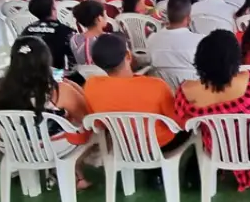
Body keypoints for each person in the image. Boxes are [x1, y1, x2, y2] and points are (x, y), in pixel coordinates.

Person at [175, 30, 250, 192]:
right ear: (235, 59)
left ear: (200, 58)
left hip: (217, 147)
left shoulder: (187, 90)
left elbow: (182, 120)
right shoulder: (249, 80)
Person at [82, 33, 195, 187]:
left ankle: (153, 173)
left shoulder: (91, 85)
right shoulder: (156, 85)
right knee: (192, 124)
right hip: (161, 145)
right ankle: (168, 172)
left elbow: (98, 123)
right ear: (128, 55)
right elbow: (177, 123)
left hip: (123, 144)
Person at [0, 36, 90, 180]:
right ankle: (75, 171)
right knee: (88, 128)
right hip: (53, 148)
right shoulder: (57, 90)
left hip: (12, 148)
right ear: (46, 60)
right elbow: (85, 118)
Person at [146, 0, 204, 86]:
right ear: (188, 18)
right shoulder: (201, 42)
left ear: (168, 15)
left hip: (160, 95)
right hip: (191, 97)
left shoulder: (152, 39)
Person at [20, 0, 77, 70]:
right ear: (53, 8)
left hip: (28, 74)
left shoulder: (27, 29)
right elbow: (74, 61)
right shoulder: (65, 31)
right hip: (54, 75)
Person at [69, 0, 109, 66]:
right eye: (105, 14)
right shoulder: (109, 40)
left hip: (84, 75)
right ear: (99, 18)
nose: (107, 17)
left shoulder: (74, 39)